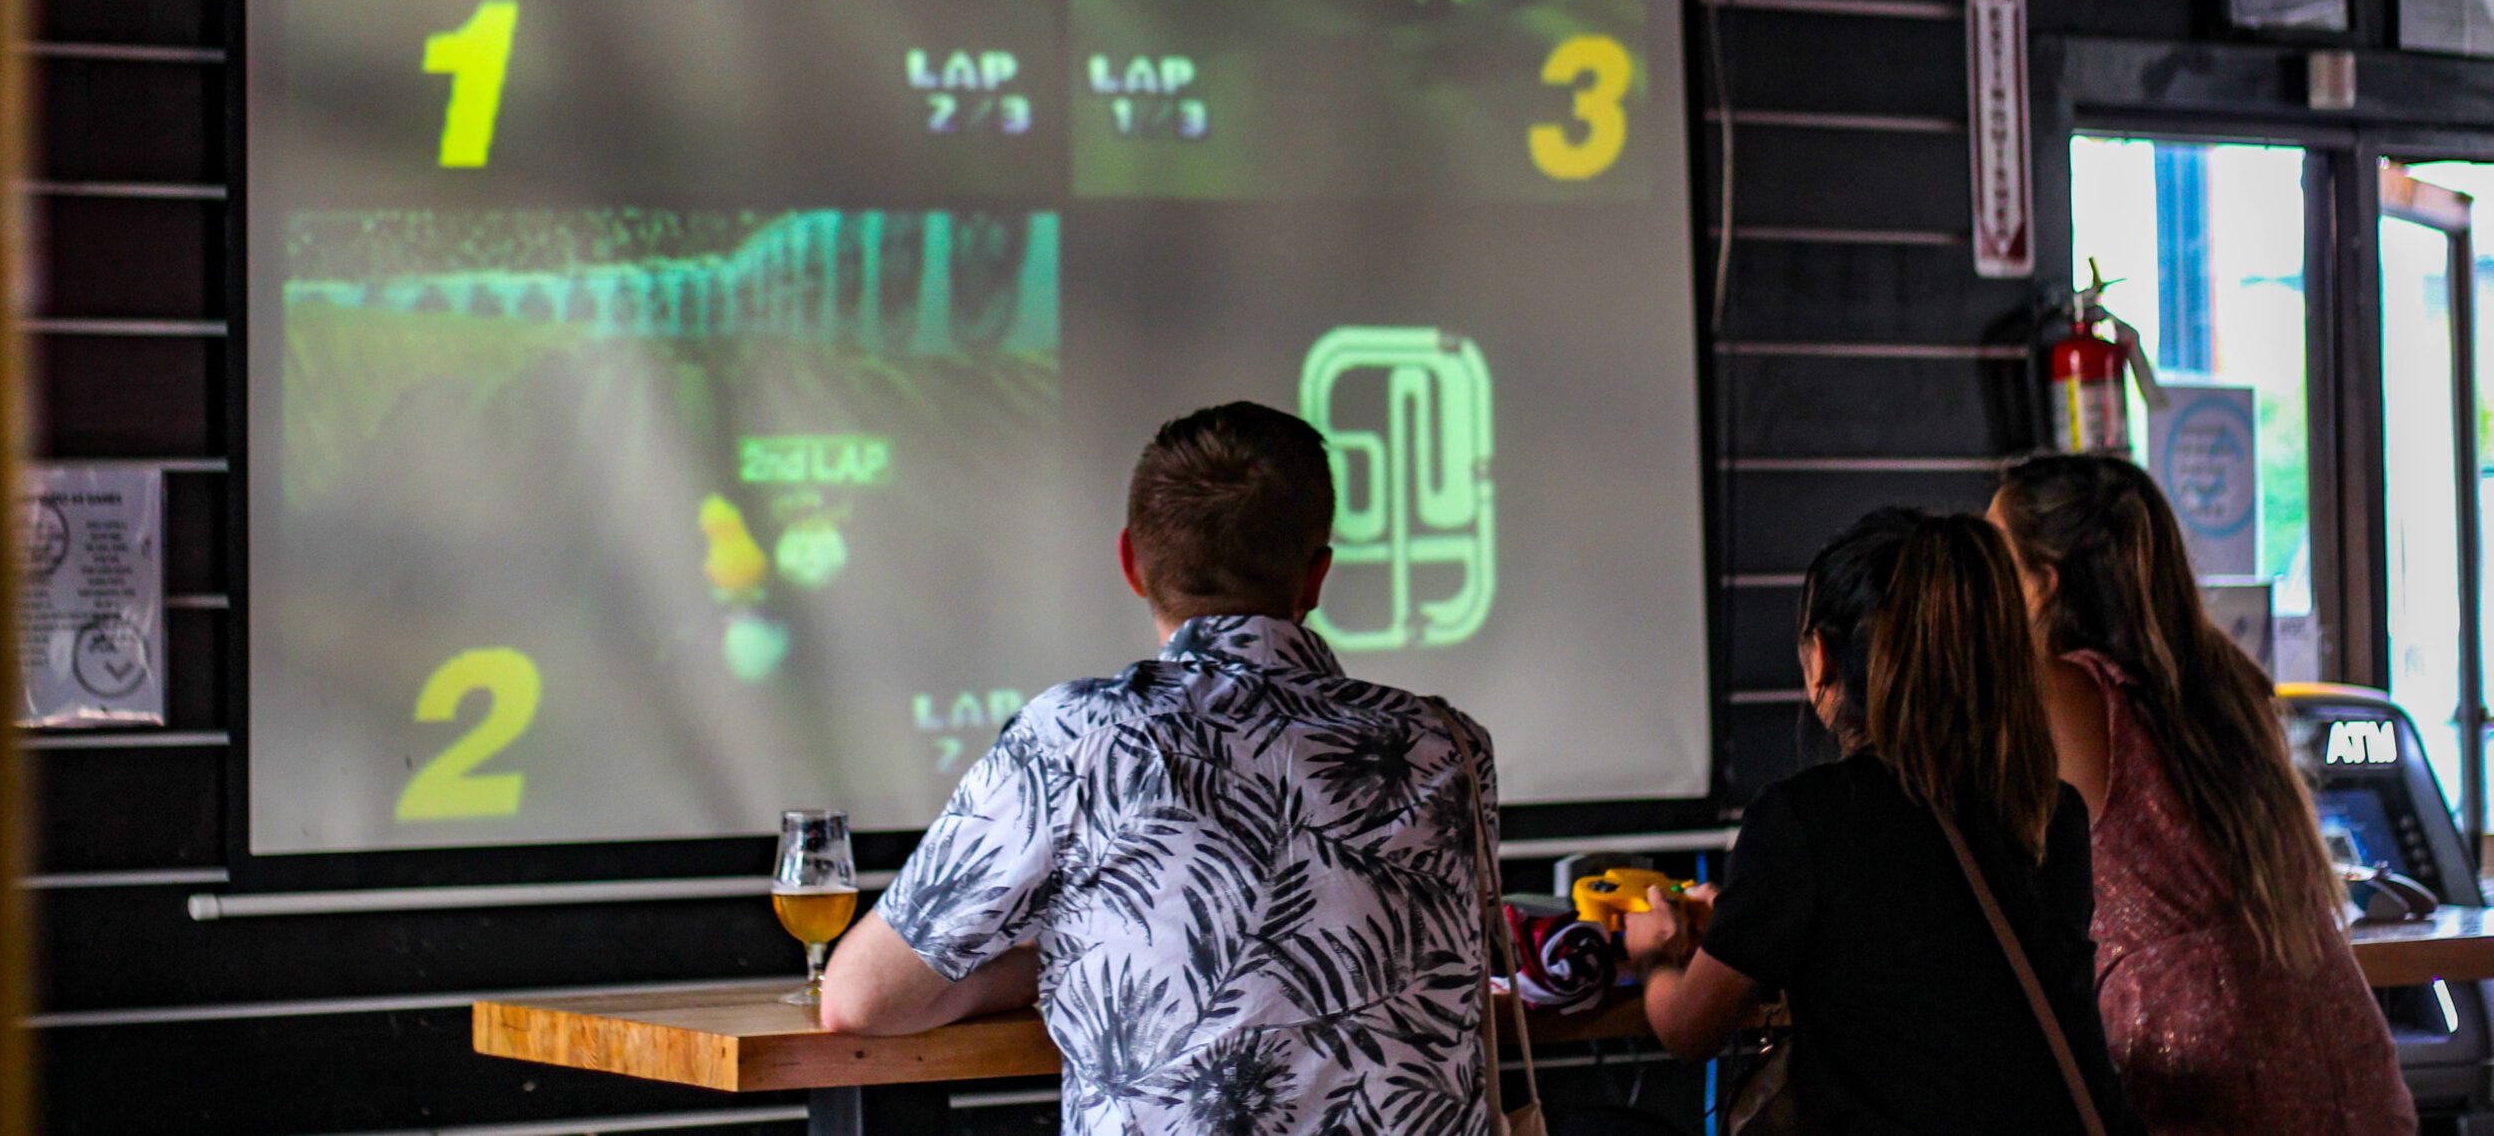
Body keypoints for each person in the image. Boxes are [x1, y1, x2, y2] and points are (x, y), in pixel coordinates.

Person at [822, 400, 1504, 1134]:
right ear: (1316, 578)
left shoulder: (1078, 738)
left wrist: (1035, 967)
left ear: (1131, 563)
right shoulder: (1449, 746)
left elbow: (860, 999)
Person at [1631, 509, 2147, 1136]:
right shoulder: (2048, 809)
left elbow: (1689, 1031)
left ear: (1821, 659)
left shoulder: (1805, 820)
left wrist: (1653, 956)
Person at [1993, 454, 2415, 1136]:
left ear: (2041, 586)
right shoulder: (2224, 681)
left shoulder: (2063, 695)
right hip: (2343, 1053)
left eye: (1993, 563)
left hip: (2205, 1078)